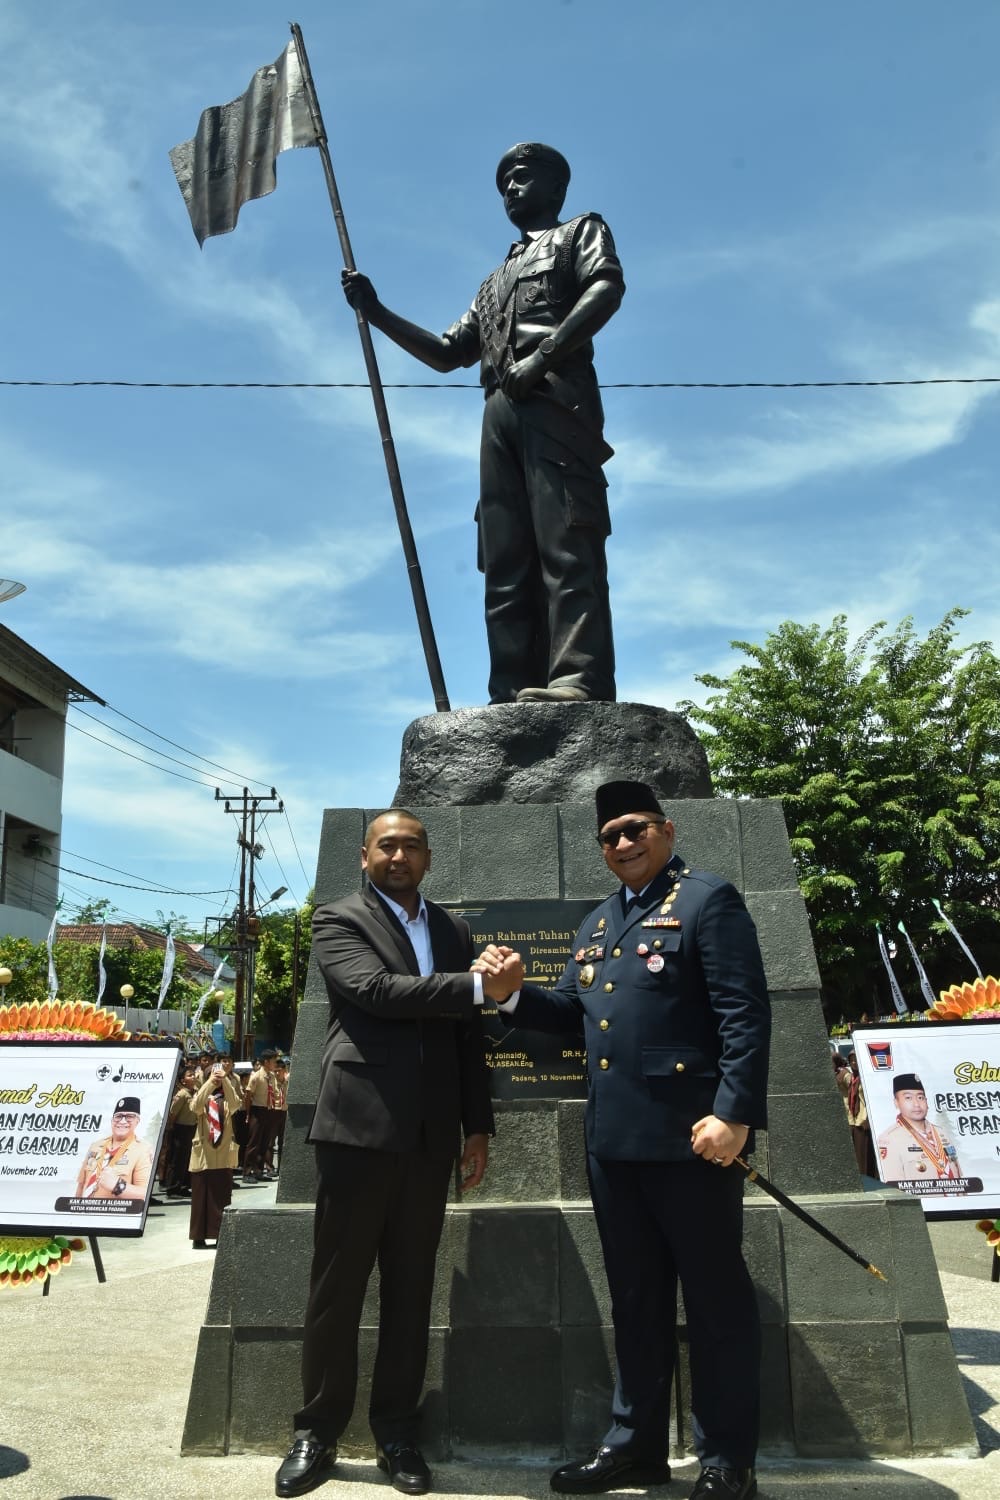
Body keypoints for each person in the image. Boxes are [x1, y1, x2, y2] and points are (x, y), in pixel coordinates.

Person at [476, 781, 770, 1500]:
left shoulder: (709, 901)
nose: (623, 843)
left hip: (693, 1144)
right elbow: (575, 1013)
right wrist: (513, 993)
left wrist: (733, 1114)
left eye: (635, 828)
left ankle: (727, 1458)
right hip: (614, 1146)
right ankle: (634, 1446)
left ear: (666, 830)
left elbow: (744, 1015)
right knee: (635, 1302)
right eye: (609, 836)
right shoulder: (600, 925)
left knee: (714, 1303)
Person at [275, 809, 520, 1500]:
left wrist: (477, 1125)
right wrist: (480, 985)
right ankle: (317, 1431)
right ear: (364, 855)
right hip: (357, 1129)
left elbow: (466, 1035)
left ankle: (397, 1433)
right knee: (337, 1288)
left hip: (430, 1136)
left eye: (412, 846)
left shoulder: (452, 930)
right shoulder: (339, 919)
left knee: (410, 1291)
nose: (399, 856)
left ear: (429, 857)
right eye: (387, 845)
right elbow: (375, 994)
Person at [342, 142, 624, 706]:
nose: (510, 191)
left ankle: (578, 680)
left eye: (521, 179)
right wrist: (375, 312)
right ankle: (511, 688)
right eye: (503, 185)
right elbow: (450, 352)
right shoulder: (492, 283)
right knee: (504, 558)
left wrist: (543, 357)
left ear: (556, 188)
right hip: (498, 413)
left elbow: (606, 288)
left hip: (554, 402)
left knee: (566, 545)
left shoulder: (579, 233)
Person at [188, 1055, 243, 1249]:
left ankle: (220, 1235)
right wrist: (210, 1083)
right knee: (201, 1196)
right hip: (204, 1154)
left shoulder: (227, 1100)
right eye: (212, 1076)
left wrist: (225, 1078)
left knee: (221, 1196)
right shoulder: (203, 1097)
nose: (216, 1079)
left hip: (222, 1155)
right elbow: (195, 1107)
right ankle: (198, 1237)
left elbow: (237, 1104)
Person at [877, 1073, 962, 1182]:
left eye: (920, 1097)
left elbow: (959, 1176)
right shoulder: (889, 1139)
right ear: (896, 1103)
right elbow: (894, 1187)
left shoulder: (941, 1132)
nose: (916, 1104)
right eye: (908, 1098)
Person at [75, 1096, 153, 1202]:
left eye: (129, 1116)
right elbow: (81, 1185)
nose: (122, 1121)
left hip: (112, 1215)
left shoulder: (142, 1149)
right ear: (112, 1120)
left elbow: (145, 1193)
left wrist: (118, 1186)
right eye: (118, 1116)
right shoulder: (96, 1146)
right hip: (84, 1211)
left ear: (137, 1121)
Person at [242, 1047, 279, 1181]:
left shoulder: (272, 1076)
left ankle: (258, 1170)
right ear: (267, 1062)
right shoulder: (256, 1076)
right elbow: (248, 1095)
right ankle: (247, 1172)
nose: (275, 1064)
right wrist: (248, 1113)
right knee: (254, 1142)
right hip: (257, 1110)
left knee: (265, 1142)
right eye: (274, 1061)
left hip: (269, 1110)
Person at [844, 1051, 877, 1177]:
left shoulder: (867, 1077)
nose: (853, 1063)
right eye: (851, 1060)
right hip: (855, 1120)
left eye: (856, 1059)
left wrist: (867, 1119)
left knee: (865, 1154)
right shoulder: (853, 1077)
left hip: (865, 1121)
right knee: (859, 1155)